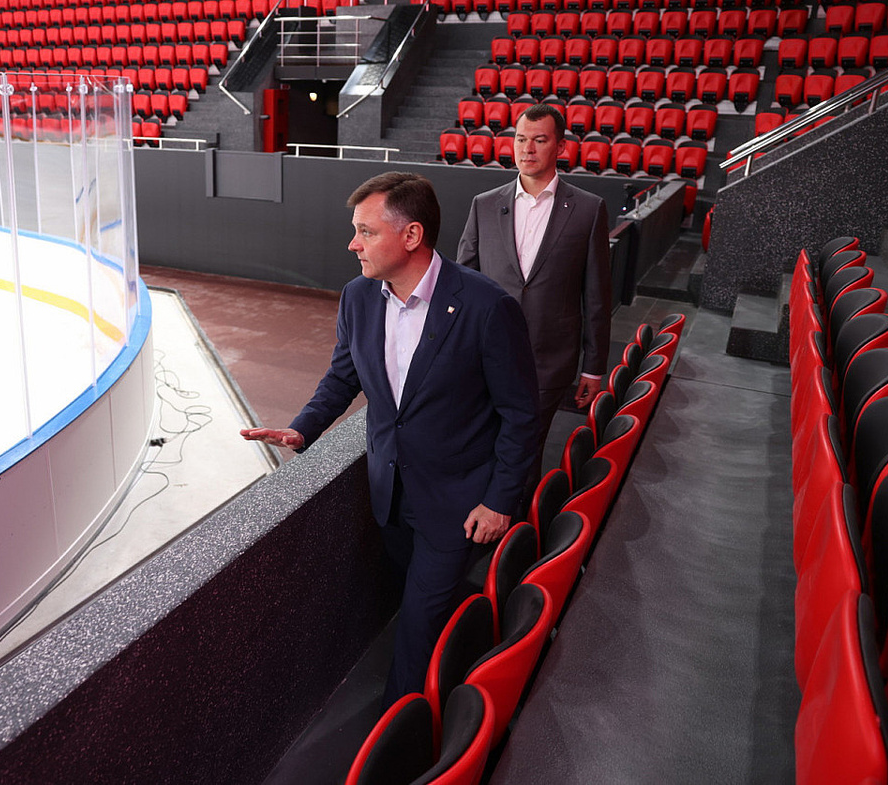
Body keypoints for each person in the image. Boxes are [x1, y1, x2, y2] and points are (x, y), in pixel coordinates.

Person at [241, 172, 540, 705]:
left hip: (459, 503)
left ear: (411, 235)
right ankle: (456, 664)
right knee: (422, 604)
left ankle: (403, 729)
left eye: (366, 231)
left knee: (417, 627)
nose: (352, 244)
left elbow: (521, 415)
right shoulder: (357, 297)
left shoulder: (486, 306)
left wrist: (499, 500)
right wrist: (303, 426)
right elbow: (343, 377)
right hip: (390, 495)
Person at [457, 103, 612, 513]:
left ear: (560, 147)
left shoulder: (589, 209)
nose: (527, 149)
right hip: (486, 357)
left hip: (548, 360)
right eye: (521, 139)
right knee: (482, 442)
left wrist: (594, 366)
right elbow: (462, 284)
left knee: (524, 449)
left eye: (539, 140)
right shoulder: (484, 204)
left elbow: (597, 294)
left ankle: (512, 527)